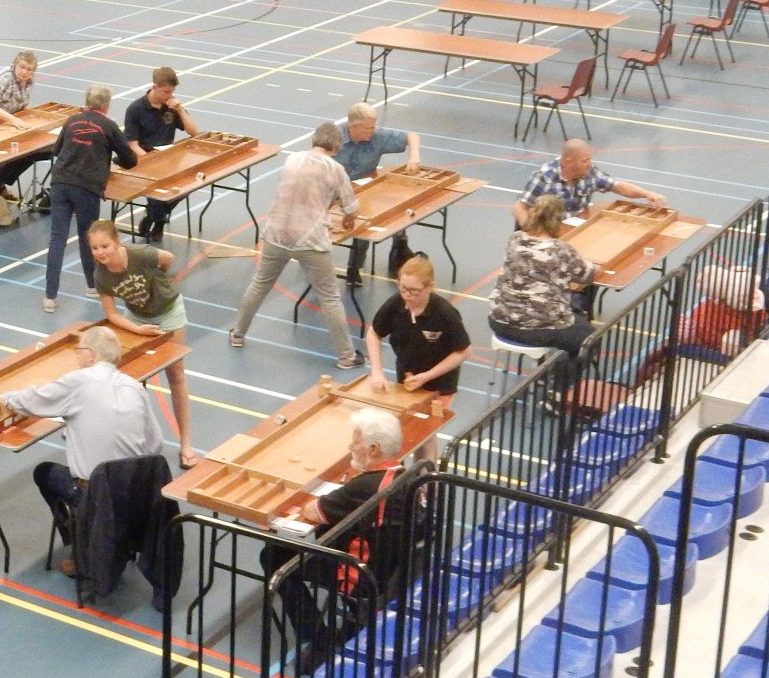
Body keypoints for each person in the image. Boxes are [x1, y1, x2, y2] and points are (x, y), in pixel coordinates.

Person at [0, 325, 163, 579]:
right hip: (134, 493)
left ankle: (81, 546)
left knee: (44, 472)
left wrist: (0, 397)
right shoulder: (135, 388)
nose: (77, 357)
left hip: (96, 493)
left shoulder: (79, 381)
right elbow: (155, 444)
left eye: (79, 351)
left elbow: (34, 400)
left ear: (91, 354)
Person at [261, 406, 415, 666]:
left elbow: (313, 511)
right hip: (392, 569)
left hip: (360, 574)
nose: (351, 446)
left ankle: (318, 639)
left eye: (356, 441)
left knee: (274, 556)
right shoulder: (406, 476)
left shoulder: (365, 486)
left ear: (373, 449)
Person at [228, 123, 361, 367]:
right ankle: (347, 356)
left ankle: (237, 333)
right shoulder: (335, 168)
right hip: (310, 239)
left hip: (276, 233)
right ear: (337, 145)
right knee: (330, 298)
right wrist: (349, 219)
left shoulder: (292, 159)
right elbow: (351, 207)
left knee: (259, 285)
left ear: (314, 140)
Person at [87, 220, 194, 465]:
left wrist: (159, 280)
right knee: (129, 377)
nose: (100, 252)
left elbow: (168, 258)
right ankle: (131, 442)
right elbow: (112, 314)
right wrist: (137, 329)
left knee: (176, 375)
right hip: (137, 318)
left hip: (169, 313)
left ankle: (186, 445)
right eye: (95, 248)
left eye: (105, 246)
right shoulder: (101, 275)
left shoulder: (140, 254)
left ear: (117, 242)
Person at [43, 85, 137, 312]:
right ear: (107, 105)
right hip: (87, 187)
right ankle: (92, 285)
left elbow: (57, 150)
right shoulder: (109, 126)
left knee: (57, 239)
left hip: (60, 182)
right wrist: (110, 160)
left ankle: (50, 296)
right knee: (88, 237)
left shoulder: (72, 120)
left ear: (86, 101)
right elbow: (130, 159)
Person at [365, 255, 469, 460]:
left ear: (430, 287)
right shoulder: (396, 304)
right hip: (407, 380)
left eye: (414, 291)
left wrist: (426, 376)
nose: (407, 295)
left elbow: (463, 351)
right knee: (411, 429)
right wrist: (377, 372)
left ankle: (426, 477)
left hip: (439, 384)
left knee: (424, 433)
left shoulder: (445, 313)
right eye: (402, 287)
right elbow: (373, 333)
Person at [489, 194, 596, 374]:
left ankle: (549, 372)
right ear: (558, 221)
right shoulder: (561, 249)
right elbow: (587, 275)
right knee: (590, 339)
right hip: (539, 328)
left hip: (500, 320)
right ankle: (557, 383)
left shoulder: (514, 239)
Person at [337, 103, 421, 284]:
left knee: (367, 219)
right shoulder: (333, 137)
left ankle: (354, 267)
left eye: (374, 126)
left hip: (364, 190)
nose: (373, 131)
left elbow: (412, 136)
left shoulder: (377, 136)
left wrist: (414, 156)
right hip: (333, 190)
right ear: (353, 127)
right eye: (368, 128)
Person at [120, 67, 197, 243]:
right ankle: (160, 222)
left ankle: (152, 216)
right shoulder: (135, 109)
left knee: (191, 181)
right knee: (157, 182)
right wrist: (151, 160)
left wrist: (180, 110)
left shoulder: (171, 107)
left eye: (172, 92)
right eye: (166, 92)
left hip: (168, 157)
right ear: (154, 86)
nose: (170, 95)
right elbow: (132, 144)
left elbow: (194, 131)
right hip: (144, 157)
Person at [513, 138, 666, 225]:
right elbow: (519, 207)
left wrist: (647, 194)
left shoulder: (590, 173)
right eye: (585, 160)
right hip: (550, 231)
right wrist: (532, 232)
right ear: (568, 162)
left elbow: (618, 186)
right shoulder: (544, 177)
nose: (589, 164)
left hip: (577, 228)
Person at [0, 49, 43, 202]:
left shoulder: (29, 81)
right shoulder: (5, 78)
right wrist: (14, 120)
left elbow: (20, 104)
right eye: (22, 67)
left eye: (29, 69)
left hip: (7, 122)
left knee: (30, 151)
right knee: (15, 152)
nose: (24, 72)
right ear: (15, 65)